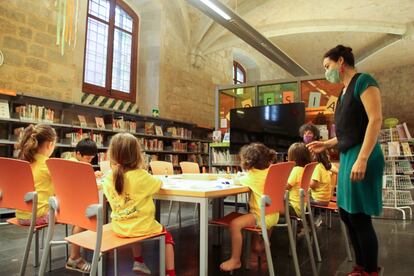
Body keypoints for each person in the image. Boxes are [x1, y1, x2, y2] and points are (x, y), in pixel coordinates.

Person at [307, 45, 384, 276]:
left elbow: (375, 120)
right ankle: (360, 266)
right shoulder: (342, 93)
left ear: (341, 61)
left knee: (359, 216)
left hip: (364, 154)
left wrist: (362, 159)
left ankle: (370, 271)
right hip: (349, 153)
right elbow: (346, 132)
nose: (326, 71)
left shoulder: (363, 81)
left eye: (327, 66)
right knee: (346, 214)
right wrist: (326, 144)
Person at [102, 133, 175, 276]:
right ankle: (171, 273)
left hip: (119, 227)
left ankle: (139, 260)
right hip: (141, 227)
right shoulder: (141, 176)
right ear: (137, 155)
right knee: (168, 237)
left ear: (111, 155)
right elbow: (158, 184)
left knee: (135, 225)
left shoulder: (109, 178)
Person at [220, 143, 278, 272]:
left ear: (247, 162)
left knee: (235, 224)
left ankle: (235, 260)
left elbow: (236, 181)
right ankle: (261, 245)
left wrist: (239, 176)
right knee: (252, 213)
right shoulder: (272, 171)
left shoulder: (251, 176)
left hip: (261, 216)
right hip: (274, 215)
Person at [65, 138, 102, 273]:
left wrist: (91, 174)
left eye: (91, 159)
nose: (89, 162)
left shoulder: (68, 162)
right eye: (87, 158)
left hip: (63, 205)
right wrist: (92, 176)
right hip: (73, 207)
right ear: (78, 153)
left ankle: (88, 245)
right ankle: (74, 257)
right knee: (87, 217)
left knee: (89, 212)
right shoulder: (78, 165)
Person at [15, 124, 56, 226]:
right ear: (50, 145)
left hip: (20, 216)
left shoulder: (25, 162)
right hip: (39, 217)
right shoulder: (49, 164)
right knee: (69, 211)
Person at [286, 142, 312, 219]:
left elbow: (286, 187)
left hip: (293, 207)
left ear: (293, 158)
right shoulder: (305, 170)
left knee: (269, 206)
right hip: (301, 206)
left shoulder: (296, 170)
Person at [309, 150, 332, 227]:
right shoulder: (324, 167)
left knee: (302, 200)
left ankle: (312, 220)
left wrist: (305, 183)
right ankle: (316, 217)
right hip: (326, 199)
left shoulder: (317, 167)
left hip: (319, 199)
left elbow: (313, 185)